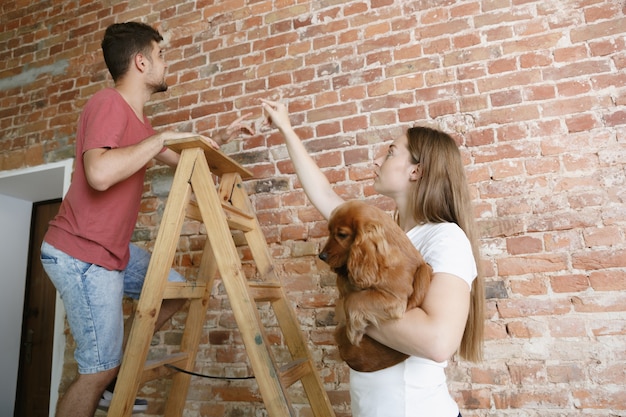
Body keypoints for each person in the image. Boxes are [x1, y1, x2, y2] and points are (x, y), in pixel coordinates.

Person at [40, 22, 253, 417]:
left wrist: (221, 136)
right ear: (141, 62)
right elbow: (99, 174)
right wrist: (159, 140)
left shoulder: (138, 123)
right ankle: (104, 378)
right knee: (94, 371)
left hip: (112, 253)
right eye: (161, 55)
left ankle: (112, 378)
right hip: (82, 254)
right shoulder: (107, 103)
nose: (165, 63)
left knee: (172, 288)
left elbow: (184, 160)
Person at [261, 99, 484, 417]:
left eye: (391, 152)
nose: (377, 159)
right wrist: (286, 128)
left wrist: (351, 306)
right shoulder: (387, 235)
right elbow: (324, 195)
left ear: (415, 171)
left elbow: (438, 341)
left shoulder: (445, 238)